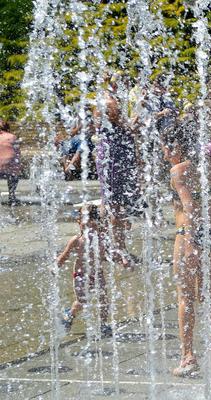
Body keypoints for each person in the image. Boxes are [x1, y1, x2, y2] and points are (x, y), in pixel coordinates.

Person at [161, 123, 211, 378]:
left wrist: (192, 240)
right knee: (207, 293)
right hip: (210, 237)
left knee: (185, 297)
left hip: (188, 237)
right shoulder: (206, 170)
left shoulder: (178, 171)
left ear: (176, 146)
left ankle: (187, 358)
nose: (162, 151)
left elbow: (189, 207)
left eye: (165, 145)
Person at [94, 73, 141, 269]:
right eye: (125, 83)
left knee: (110, 202)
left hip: (113, 154)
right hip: (114, 156)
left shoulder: (104, 100)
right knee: (115, 205)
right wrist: (136, 121)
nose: (127, 86)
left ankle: (105, 248)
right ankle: (119, 250)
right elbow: (126, 127)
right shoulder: (109, 102)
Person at [56, 204, 111, 337]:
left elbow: (110, 253)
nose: (89, 229)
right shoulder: (76, 240)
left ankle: (103, 325)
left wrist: (122, 259)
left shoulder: (102, 239)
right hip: (80, 275)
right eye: (85, 225)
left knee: (103, 299)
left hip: (97, 274)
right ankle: (69, 315)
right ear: (79, 222)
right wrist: (56, 265)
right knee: (82, 300)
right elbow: (64, 256)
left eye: (93, 225)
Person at [0, 119, 21, 205]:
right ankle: (12, 196)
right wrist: (19, 164)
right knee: (14, 174)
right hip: (10, 165)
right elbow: (17, 152)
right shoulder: (12, 137)